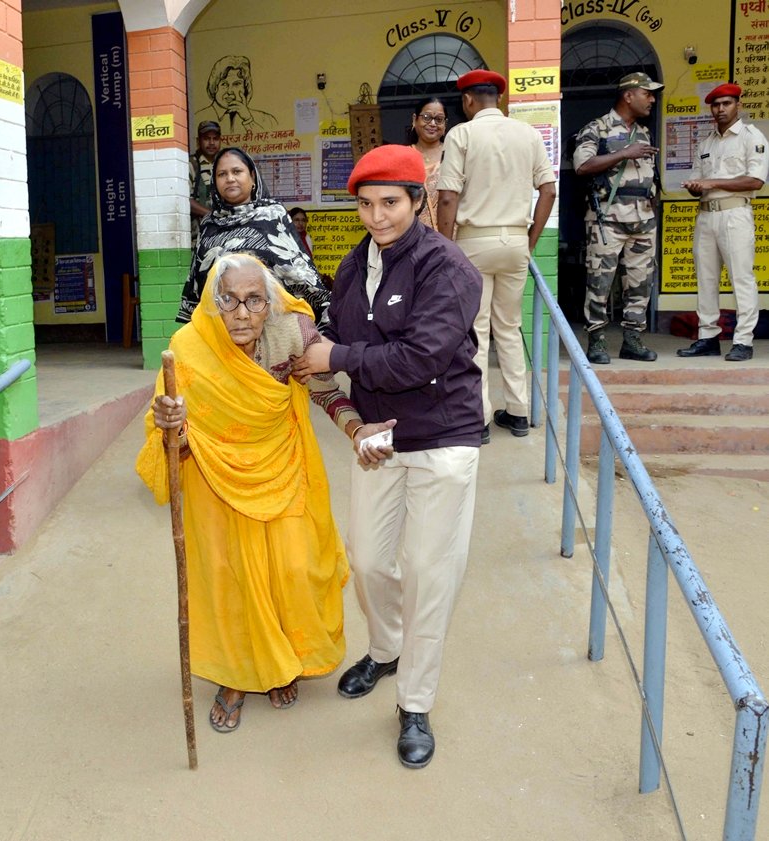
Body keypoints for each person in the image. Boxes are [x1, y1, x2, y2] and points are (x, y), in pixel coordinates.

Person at [137, 252, 393, 733]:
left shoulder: (291, 333)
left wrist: (358, 432)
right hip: (215, 476)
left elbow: (326, 390)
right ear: (212, 304)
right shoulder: (188, 347)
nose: (240, 313)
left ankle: (283, 661)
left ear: (269, 304)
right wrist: (173, 426)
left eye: (253, 301)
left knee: (294, 568)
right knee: (230, 576)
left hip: (283, 463)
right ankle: (236, 677)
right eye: (228, 300)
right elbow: (168, 426)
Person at [292, 145, 483, 769]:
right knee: (370, 560)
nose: (378, 217)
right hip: (379, 435)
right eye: (367, 205)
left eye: (391, 204)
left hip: (442, 435)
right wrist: (306, 341)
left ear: (419, 201)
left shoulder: (447, 268)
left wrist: (336, 360)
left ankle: (416, 702)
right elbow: (340, 338)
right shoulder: (351, 268)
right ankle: (386, 646)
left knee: (430, 572)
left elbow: (420, 358)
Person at [437, 70, 556, 443]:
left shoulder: (462, 134)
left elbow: (447, 197)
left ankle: (480, 417)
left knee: (477, 331)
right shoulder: (529, 134)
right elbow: (548, 191)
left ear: (468, 101)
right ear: (498, 99)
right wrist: (531, 239)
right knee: (509, 326)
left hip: (473, 242)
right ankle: (518, 412)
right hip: (516, 243)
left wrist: (445, 247)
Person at [177, 147, 330, 326]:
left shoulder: (272, 215)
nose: (230, 179)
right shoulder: (209, 224)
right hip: (220, 328)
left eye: (237, 171)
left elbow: (300, 274)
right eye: (222, 174)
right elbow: (198, 282)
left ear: (252, 177)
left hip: (271, 325)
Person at [572, 71, 664, 365]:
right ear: (628, 95)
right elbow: (583, 165)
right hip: (607, 218)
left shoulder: (645, 132)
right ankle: (597, 340)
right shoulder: (596, 128)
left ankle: (633, 340)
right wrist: (625, 153)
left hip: (643, 218)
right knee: (600, 281)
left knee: (640, 282)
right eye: (647, 93)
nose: (652, 99)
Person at [678, 82, 768, 362]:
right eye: (716, 105)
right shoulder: (706, 143)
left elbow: (755, 180)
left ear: (738, 105)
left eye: (726, 103)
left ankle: (743, 341)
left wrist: (710, 182)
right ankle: (708, 337)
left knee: (741, 279)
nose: (720, 109)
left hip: (735, 214)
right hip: (706, 215)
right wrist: (695, 186)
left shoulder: (751, 137)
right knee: (706, 279)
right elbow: (699, 180)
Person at [196, 55, 277, 136]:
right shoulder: (197, 118)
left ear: (245, 88)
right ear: (215, 87)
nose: (230, 91)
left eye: (236, 84)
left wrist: (248, 120)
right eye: (224, 84)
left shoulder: (266, 120)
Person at [406, 96, 448, 229]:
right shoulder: (403, 156)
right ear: (415, 119)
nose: (433, 124)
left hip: (451, 235)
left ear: (445, 124)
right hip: (414, 236)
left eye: (439, 119)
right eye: (426, 117)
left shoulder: (454, 154)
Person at [189, 120, 221, 247]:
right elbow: (185, 201)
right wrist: (213, 215)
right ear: (198, 141)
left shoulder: (224, 163)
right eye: (207, 139)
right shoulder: (192, 164)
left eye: (215, 138)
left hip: (221, 238)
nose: (212, 143)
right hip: (198, 239)